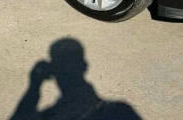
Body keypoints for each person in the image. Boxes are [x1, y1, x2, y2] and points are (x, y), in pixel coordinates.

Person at [9, 38, 141, 120]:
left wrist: (34, 86)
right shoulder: (119, 111)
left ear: (53, 71)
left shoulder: (52, 115)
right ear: (84, 66)